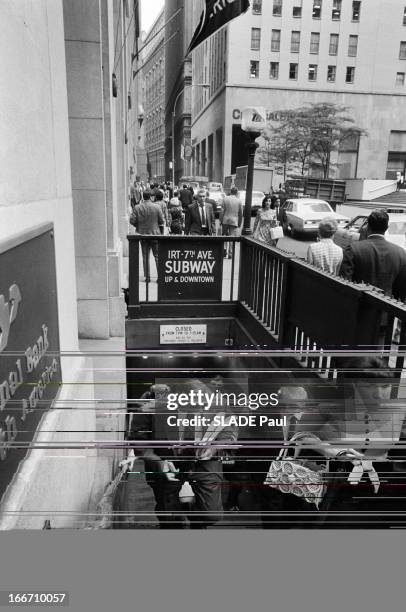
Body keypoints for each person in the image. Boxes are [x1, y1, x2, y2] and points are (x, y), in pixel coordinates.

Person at [294, 357, 406, 528]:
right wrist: (331, 451)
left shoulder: (398, 412)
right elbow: (300, 435)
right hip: (338, 490)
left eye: (385, 386)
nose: (379, 394)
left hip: (381, 491)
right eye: (369, 387)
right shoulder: (331, 408)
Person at [128, 380, 238, 529]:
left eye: (202, 407)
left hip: (203, 462)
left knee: (212, 515)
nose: (198, 411)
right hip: (166, 460)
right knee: (170, 520)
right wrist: (158, 461)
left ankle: (194, 515)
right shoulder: (152, 404)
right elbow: (138, 441)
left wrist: (213, 448)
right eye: (192, 406)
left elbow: (230, 434)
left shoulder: (218, 403)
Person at [340, 209, 406, 299]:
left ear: (368, 227)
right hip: (386, 309)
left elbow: (344, 282)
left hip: (357, 307)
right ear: (386, 228)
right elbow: (401, 290)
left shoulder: (353, 249)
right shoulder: (401, 254)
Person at [129, 190, 164, 282]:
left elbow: (132, 221)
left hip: (143, 234)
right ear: (151, 197)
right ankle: (159, 276)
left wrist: (138, 226)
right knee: (157, 256)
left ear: (142, 197)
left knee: (145, 256)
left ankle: (147, 277)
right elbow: (161, 221)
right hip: (155, 234)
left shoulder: (137, 207)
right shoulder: (157, 207)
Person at [220, 186, 243, 258]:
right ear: (236, 192)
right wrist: (239, 223)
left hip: (225, 220)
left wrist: (221, 220)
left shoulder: (225, 199)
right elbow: (240, 213)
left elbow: (222, 211)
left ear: (230, 191)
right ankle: (230, 253)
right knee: (232, 237)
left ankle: (224, 251)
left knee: (224, 236)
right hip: (234, 221)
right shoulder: (239, 201)